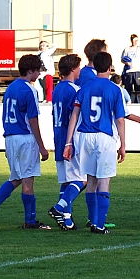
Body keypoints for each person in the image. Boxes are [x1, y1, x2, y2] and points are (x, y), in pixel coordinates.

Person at [0, 54, 52, 230]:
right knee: (28, 179)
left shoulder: (11, 88)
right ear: (30, 71)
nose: (38, 75)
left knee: (17, 177)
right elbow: (33, 120)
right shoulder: (30, 90)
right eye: (37, 71)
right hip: (25, 137)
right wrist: (42, 146)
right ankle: (30, 220)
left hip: (10, 137)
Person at [62, 51, 127, 234]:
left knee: (90, 180)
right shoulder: (115, 89)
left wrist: (69, 142)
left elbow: (74, 114)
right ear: (110, 67)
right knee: (104, 181)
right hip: (104, 137)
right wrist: (123, 144)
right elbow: (120, 119)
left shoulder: (85, 88)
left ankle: (92, 221)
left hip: (85, 135)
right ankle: (99, 224)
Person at [46, 54, 86, 230]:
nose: (80, 70)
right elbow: (75, 116)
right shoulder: (74, 90)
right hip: (71, 139)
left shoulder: (57, 89)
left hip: (58, 137)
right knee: (82, 179)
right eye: (78, 67)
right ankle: (59, 208)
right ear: (72, 69)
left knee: (67, 180)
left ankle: (67, 220)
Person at [120, 34, 140, 103]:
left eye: (136, 40)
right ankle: (128, 101)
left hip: (137, 70)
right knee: (128, 88)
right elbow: (122, 59)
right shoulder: (127, 49)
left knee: (137, 87)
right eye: (134, 40)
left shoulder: (139, 48)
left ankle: (138, 101)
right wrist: (127, 63)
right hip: (129, 71)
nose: (135, 42)